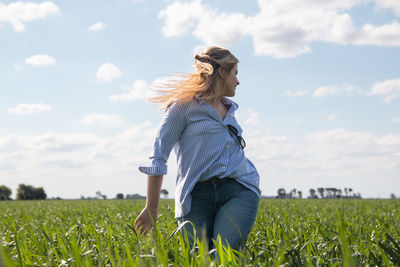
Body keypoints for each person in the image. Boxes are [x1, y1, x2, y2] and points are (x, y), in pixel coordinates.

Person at [134, 46, 260, 251]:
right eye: (235, 74)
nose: (238, 81)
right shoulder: (183, 107)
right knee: (200, 259)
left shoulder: (231, 111)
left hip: (238, 189)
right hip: (195, 196)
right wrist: (151, 208)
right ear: (221, 72)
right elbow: (158, 156)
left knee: (225, 255)